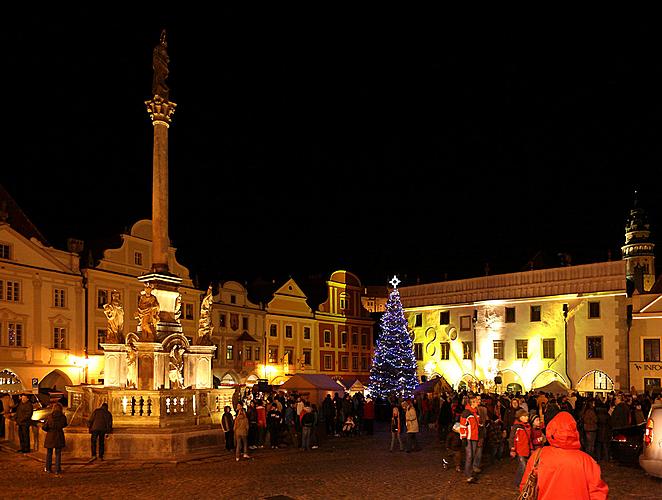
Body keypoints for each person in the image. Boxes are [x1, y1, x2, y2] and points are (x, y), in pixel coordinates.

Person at [519, 411, 608, 499]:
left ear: (551, 430)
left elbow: (525, 486)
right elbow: (598, 493)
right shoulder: (586, 460)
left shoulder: (538, 455)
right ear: (574, 431)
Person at [460, 394, 480, 483]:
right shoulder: (466, 413)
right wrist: (463, 437)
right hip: (468, 437)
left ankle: (469, 472)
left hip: (474, 436)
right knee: (469, 456)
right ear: (473, 403)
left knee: (472, 456)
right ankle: (468, 474)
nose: (478, 402)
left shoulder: (475, 412)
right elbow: (462, 425)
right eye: (477, 401)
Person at [43, 403, 68, 474]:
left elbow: (45, 427)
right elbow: (65, 424)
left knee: (49, 453)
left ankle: (48, 468)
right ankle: (57, 469)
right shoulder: (63, 417)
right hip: (59, 436)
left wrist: (49, 430)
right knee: (58, 454)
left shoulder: (49, 416)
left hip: (50, 436)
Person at [509, 408, 532, 487]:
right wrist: (512, 449)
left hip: (525, 448)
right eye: (524, 416)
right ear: (520, 417)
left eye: (527, 416)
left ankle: (519, 482)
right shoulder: (517, 427)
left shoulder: (527, 426)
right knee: (523, 466)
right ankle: (518, 482)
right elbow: (512, 438)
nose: (526, 418)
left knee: (522, 466)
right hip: (519, 449)